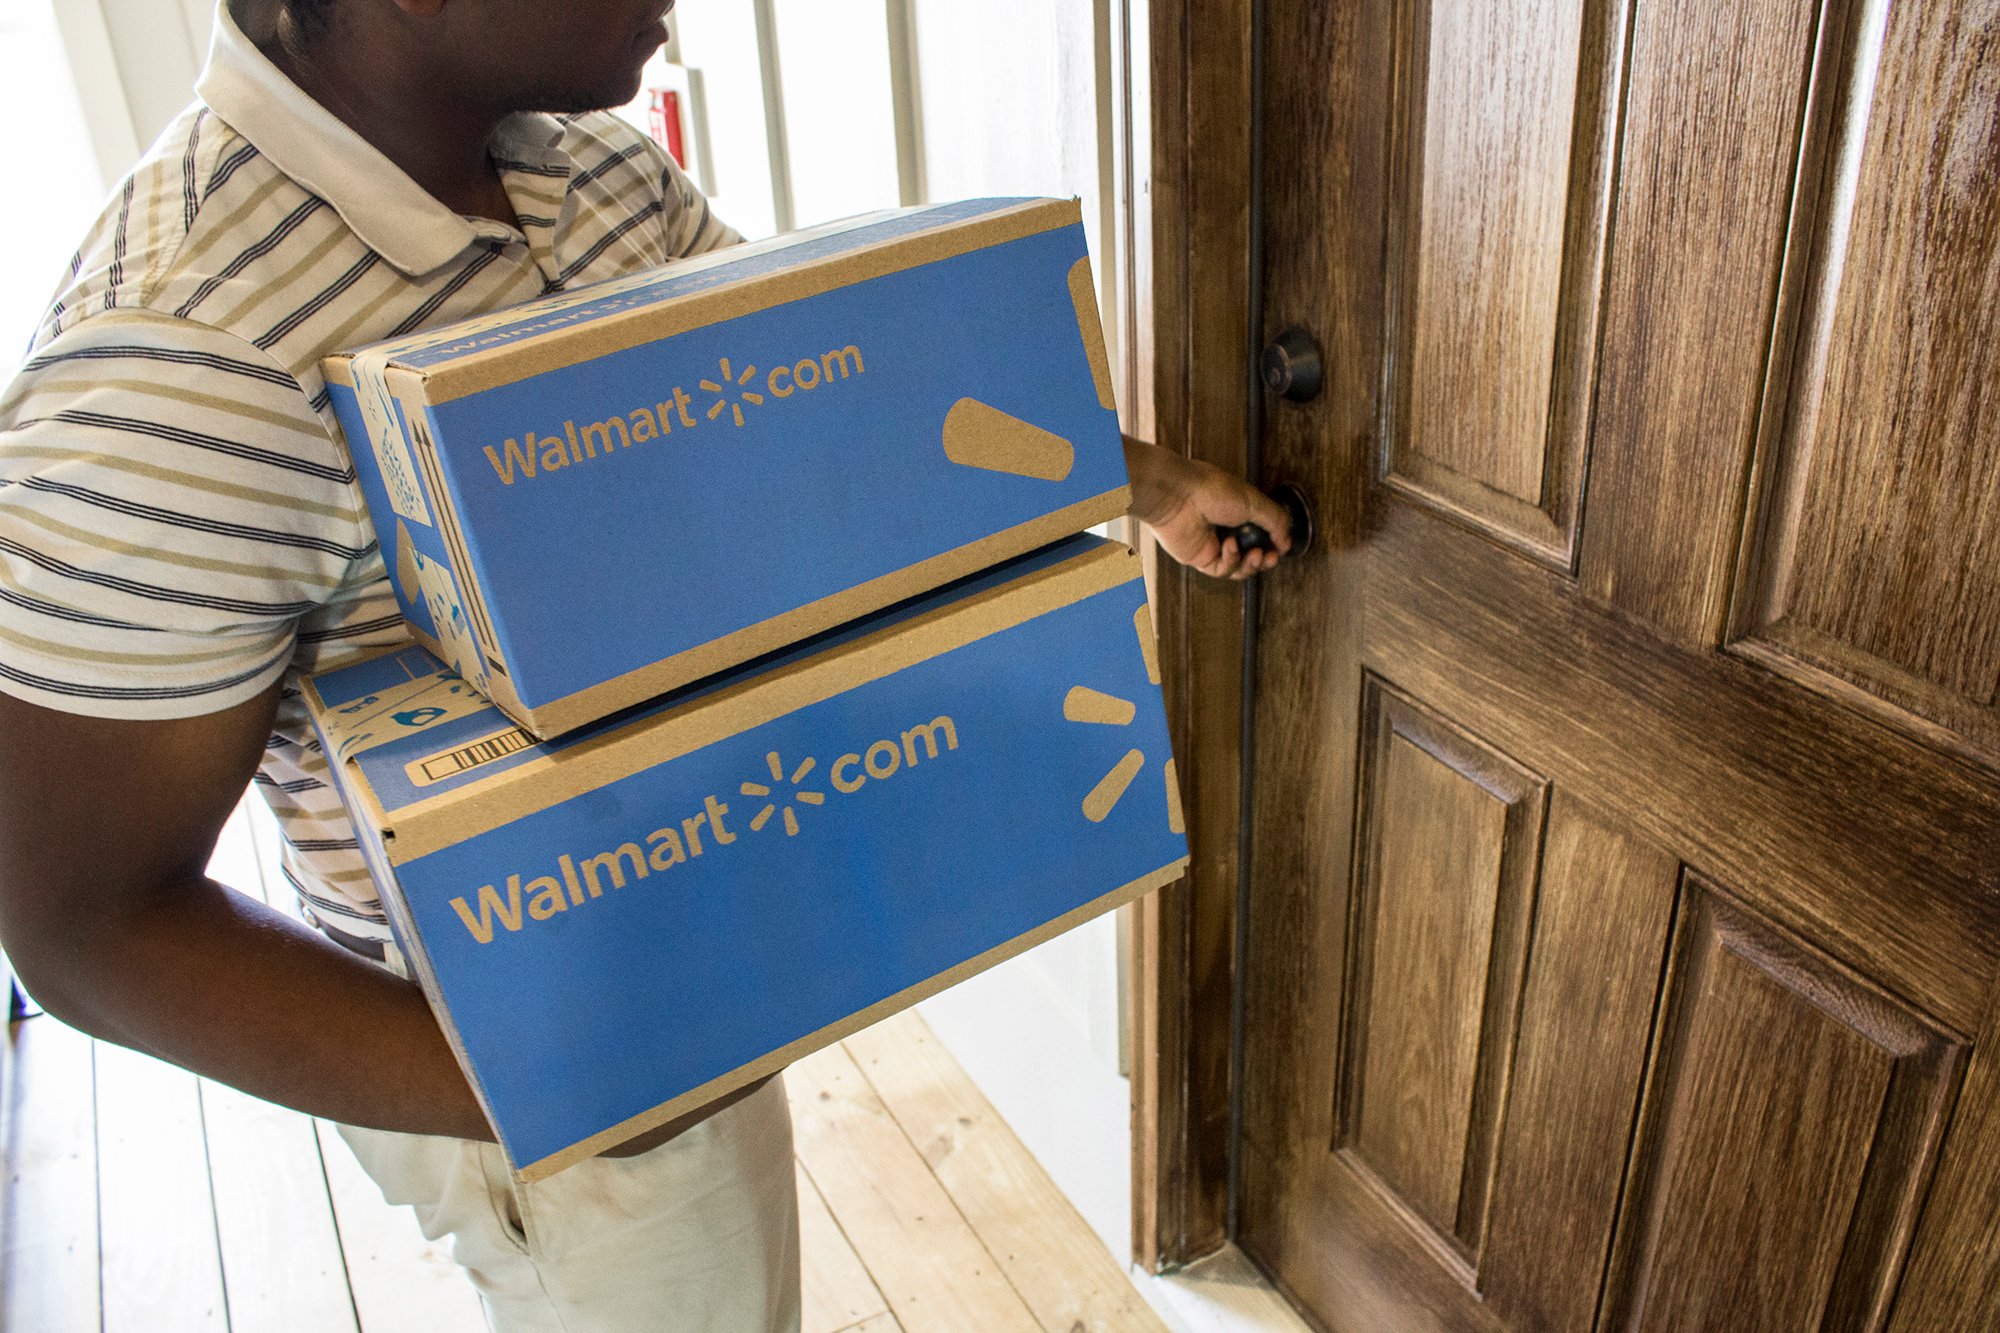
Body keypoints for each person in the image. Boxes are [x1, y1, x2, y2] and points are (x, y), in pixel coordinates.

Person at [0, 1, 1292, 1328]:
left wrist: (1144, 481)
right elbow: (83, 927)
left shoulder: (586, 163)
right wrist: (560, 1087)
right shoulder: (171, 361)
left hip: (699, 926)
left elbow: (818, 404)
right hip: (517, 1048)